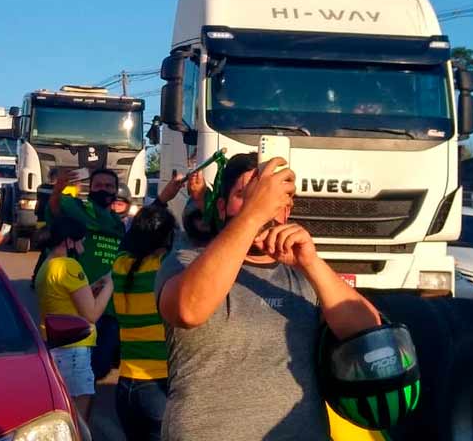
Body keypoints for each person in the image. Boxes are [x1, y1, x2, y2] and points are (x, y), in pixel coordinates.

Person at [155, 154, 381, 440]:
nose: (263, 207)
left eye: (271, 199)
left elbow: (370, 334)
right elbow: (188, 310)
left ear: (286, 210)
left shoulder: (303, 274)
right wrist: (254, 212)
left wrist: (311, 263)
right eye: (244, 195)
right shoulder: (186, 261)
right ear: (222, 208)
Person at [49, 167, 127, 382]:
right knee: (75, 371)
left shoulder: (119, 224)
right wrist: (58, 189)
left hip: (109, 309)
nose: (104, 190)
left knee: (98, 369)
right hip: (78, 305)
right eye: (98, 186)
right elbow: (55, 208)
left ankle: (83, 409)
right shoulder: (78, 209)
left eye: (109, 186)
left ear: (116, 190)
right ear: (89, 189)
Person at [35, 215, 114, 423]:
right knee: (78, 419)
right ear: (68, 241)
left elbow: (65, 299)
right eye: (80, 240)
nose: (83, 246)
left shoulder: (48, 265)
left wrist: (93, 287)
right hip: (74, 349)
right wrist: (110, 285)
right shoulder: (69, 266)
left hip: (56, 346)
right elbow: (92, 314)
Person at [112, 202, 178, 441]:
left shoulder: (120, 266)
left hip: (126, 387)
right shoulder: (167, 268)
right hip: (158, 386)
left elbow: (128, 241)